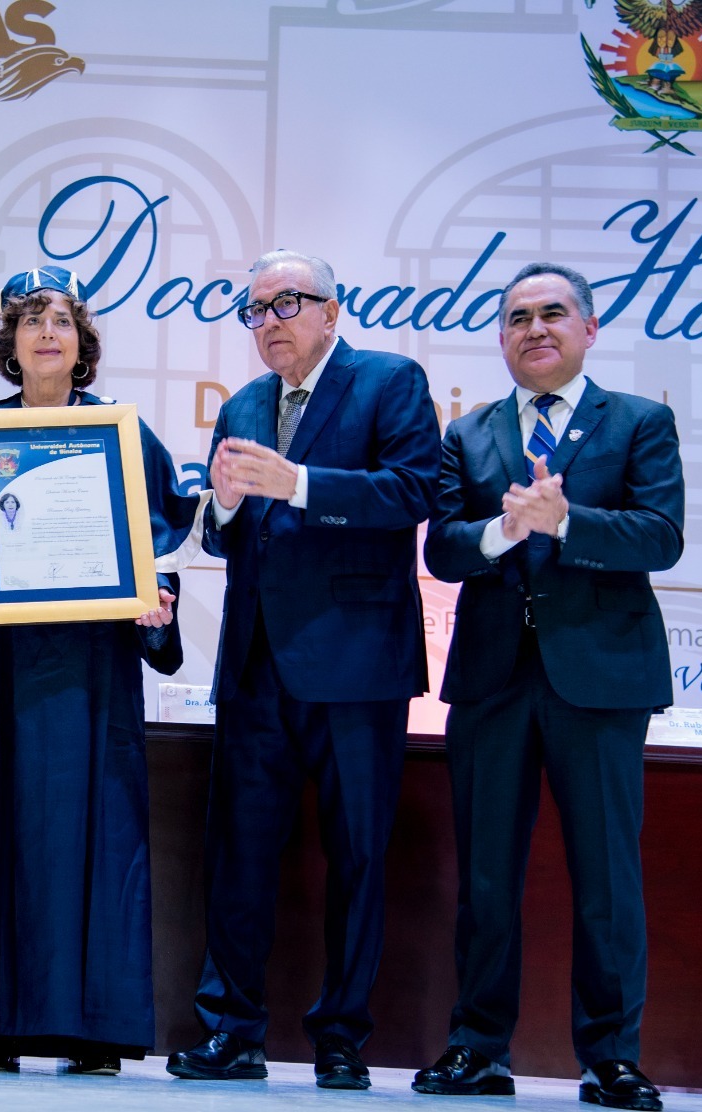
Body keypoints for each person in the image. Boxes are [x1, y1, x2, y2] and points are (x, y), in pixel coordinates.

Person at [0, 265, 203, 1076]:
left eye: (61, 320)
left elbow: (160, 543)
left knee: (95, 832)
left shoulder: (120, 434)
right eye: (30, 320)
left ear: (82, 343)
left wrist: (157, 598)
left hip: (91, 667)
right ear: (10, 343)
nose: (46, 333)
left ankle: (93, 1028)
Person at [167, 249, 440, 1090]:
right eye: (256, 310)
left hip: (357, 664)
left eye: (288, 302)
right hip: (255, 664)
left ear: (331, 310)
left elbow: (413, 492)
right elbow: (225, 536)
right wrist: (222, 506)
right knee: (239, 854)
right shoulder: (244, 403)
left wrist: (301, 483)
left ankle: (342, 1038)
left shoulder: (389, 381)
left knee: (359, 856)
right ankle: (231, 1030)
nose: (270, 321)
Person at [413, 263, 682, 1112]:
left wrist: (566, 521)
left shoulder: (638, 421)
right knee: (487, 876)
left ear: (589, 329)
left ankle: (611, 1059)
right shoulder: (469, 433)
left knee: (607, 878)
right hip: (493, 679)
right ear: (501, 338)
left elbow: (661, 535)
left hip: (601, 677)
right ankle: (477, 1047)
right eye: (518, 317)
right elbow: (442, 550)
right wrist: (502, 529)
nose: (535, 328)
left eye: (553, 313)